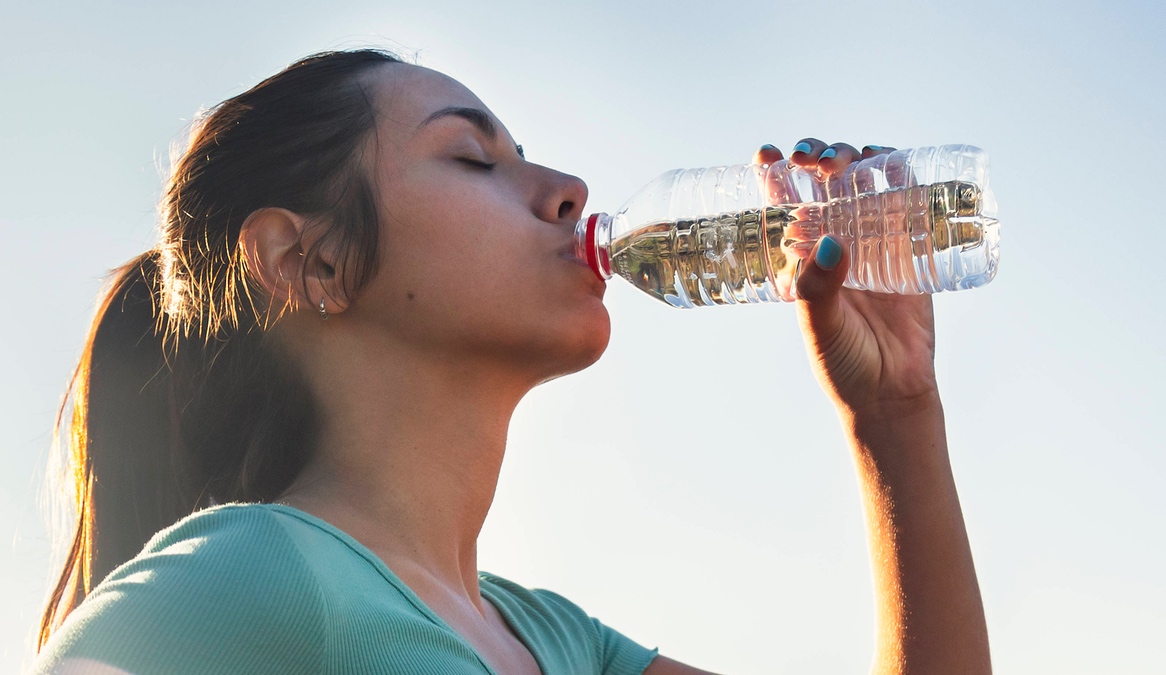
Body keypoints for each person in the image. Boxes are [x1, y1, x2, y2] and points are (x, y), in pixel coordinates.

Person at [31, 49, 990, 674]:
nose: (570, 191)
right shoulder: (261, 571)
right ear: (310, 262)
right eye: (473, 161)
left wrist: (897, 419)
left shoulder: (561, 644)